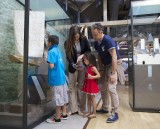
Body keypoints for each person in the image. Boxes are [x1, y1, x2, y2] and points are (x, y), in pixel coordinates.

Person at [91, 23, 125, 123]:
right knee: (102, 87)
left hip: (114, 64)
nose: (93, 36)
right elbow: (99, 57)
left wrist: (113, 73)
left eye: (95, 34)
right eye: (92, 34)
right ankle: (105, 107)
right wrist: (100, 69)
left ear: (101, 32)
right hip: (105, 66)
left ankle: (115, 113)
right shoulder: (97, 42)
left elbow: (114, 56)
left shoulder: (108, 40)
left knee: (111, 88)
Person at [64, 25, 91, 115]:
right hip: (73, 66)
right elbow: (68, 56)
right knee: (72, 87)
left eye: (77, 35)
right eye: (75, 36)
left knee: (81, 85)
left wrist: (82, 56)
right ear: (71, 36)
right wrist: (72, 64)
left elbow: (88, 51)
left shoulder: (84, 39)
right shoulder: (67, 42)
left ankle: (81, 108)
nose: (77, 37)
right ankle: (74, 109)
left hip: (82, 64)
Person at [46, 35, 68, 123]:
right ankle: (64, 114)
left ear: (50, 43)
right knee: (63, 96)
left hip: (56, 79)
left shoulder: (51, 52)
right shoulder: (58, 51)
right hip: (62, 78)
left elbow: (51, 66)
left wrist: (46, 60)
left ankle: (57, 118)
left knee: (57, 98)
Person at [82, 52, 100, 118]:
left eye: (85, 59)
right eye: (83, 60)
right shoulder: (87, 67)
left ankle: (94, 113)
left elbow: (99, 75)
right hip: (88, 84)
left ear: (89, 59)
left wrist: (92, 77)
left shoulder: (93, 68)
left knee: (92, 99)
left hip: (92, 85)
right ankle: (89, 111)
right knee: (88, 98)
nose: (84, 61)